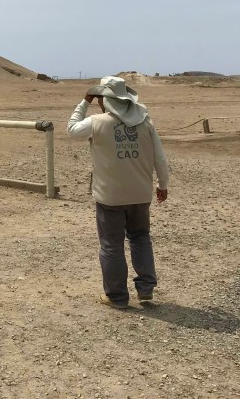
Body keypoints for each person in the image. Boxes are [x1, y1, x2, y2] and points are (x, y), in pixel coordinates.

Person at [68, 76, 169, 309]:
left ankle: (117, 297)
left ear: (104, 99)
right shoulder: (145, 122)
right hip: (140, 195)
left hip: (110, 196)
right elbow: (160, 159)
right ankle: (145, 290)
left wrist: (84, 102)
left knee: (112, 245)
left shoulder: (97, 122)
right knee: (141, 238)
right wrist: (162, 185)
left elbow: (71, 129)